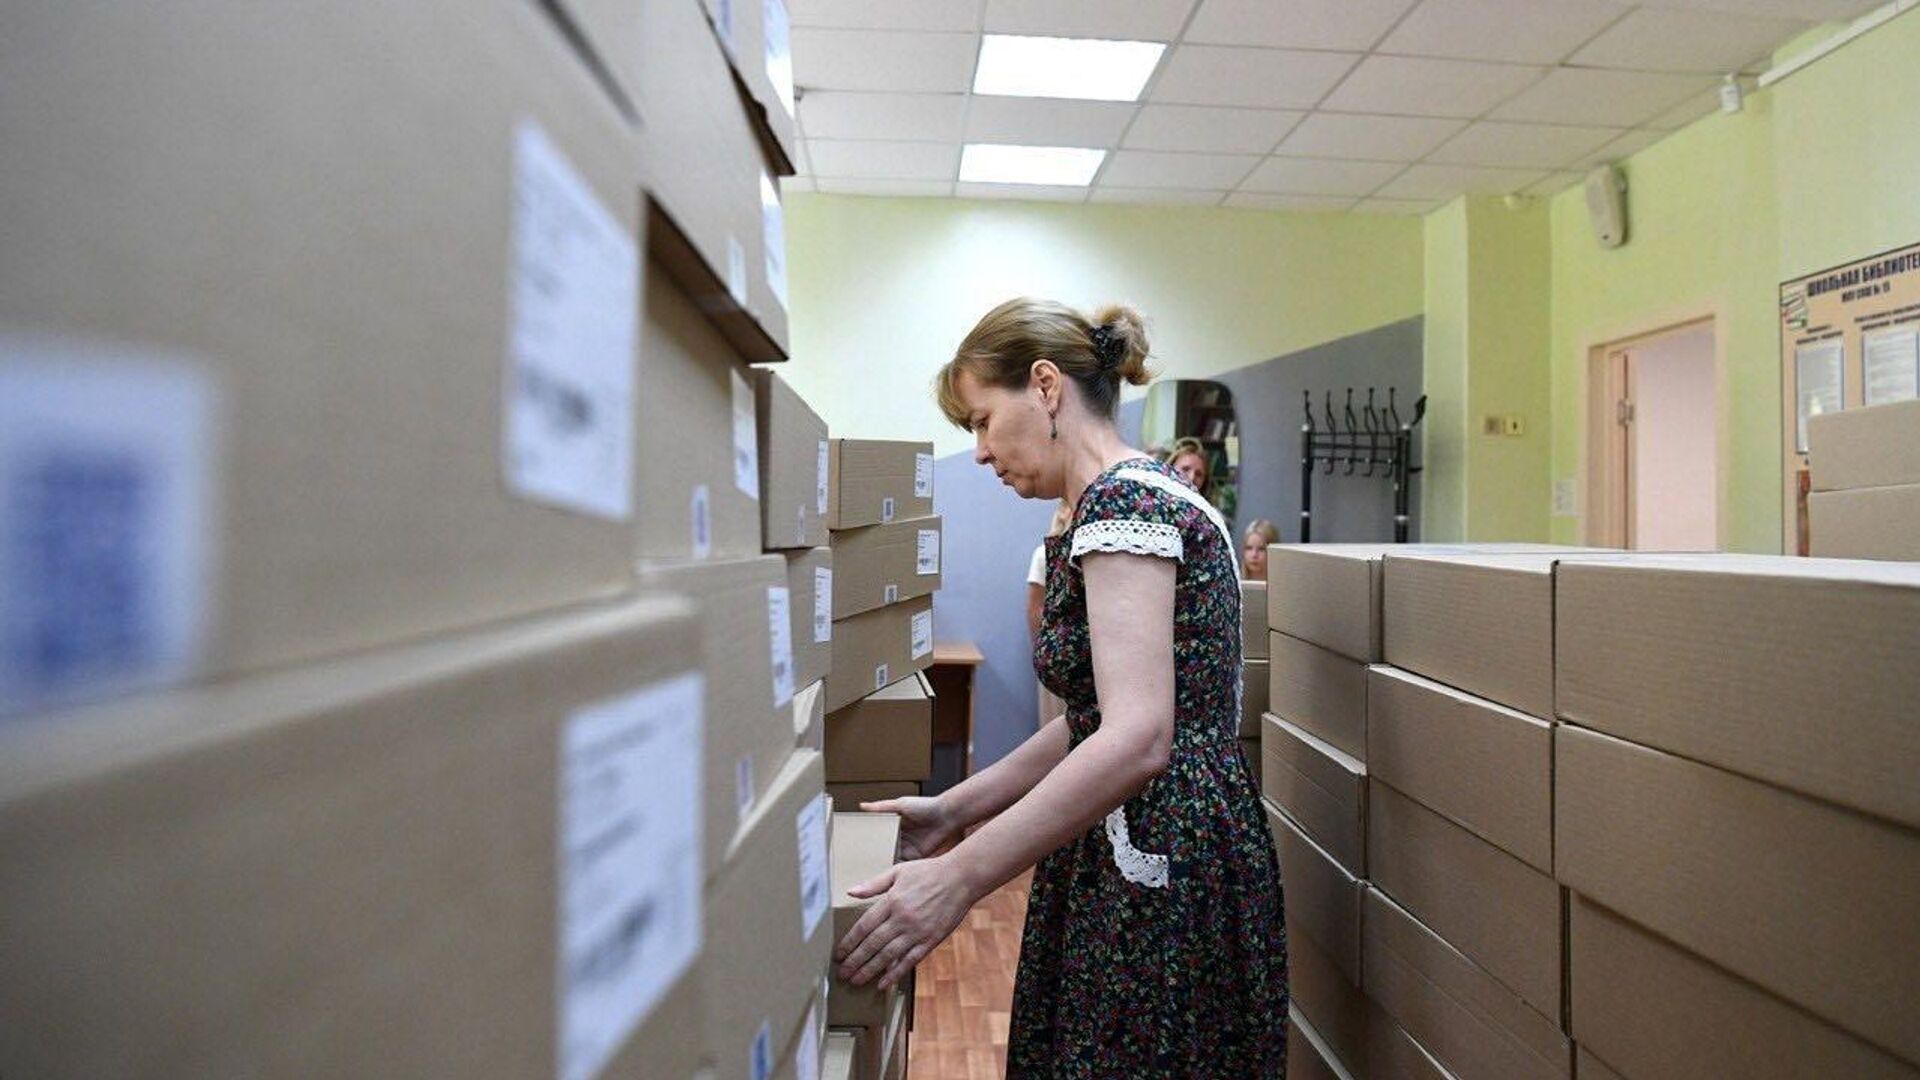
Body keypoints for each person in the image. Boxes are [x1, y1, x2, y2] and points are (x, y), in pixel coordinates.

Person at [835, 297, 1287, 1076]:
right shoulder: (1127, 498)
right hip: (1159, 836)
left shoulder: (1124, 506)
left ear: (1045, 387)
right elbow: (1094, 719)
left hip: (1159, 851)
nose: (981, 452)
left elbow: (1136, 739)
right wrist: (954, 813)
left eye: (982, 421)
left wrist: (959, 879)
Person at [1028, 502, 1072, 727]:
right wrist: (1044, 650)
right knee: (1054, 723)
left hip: (1088, 657)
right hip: (1056, 653)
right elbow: (1035, 608)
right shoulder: (1044, 555)